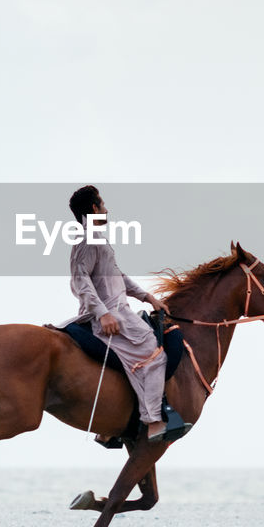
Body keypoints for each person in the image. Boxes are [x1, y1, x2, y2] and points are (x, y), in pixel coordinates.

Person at [64, 185, 171, 444]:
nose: (107, 209)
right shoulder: (88, 239)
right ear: (94, 208)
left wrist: (148, 297)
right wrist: (102, 314)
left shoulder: (98, 239)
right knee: (155, 354)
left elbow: (118, 277)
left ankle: (111, 425)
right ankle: (153, 421)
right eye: (103, 204)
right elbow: (80, 280)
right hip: (112, 315)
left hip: (118, 310)